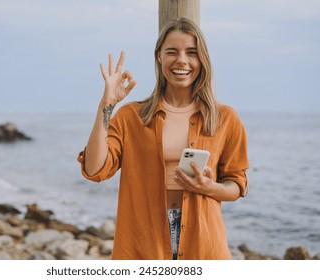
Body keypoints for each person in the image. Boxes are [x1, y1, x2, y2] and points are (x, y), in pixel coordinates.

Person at [77, 18, 249, 260]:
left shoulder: (225, 118)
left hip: (203, 241)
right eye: (172, 52)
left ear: (202, 59)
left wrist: (210, 187)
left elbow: (236, 184)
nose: (182, 60)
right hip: (143, 239)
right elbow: (95, 169)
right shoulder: (130, 117)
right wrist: (106, 106)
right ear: (159, 56)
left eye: (192, 52)